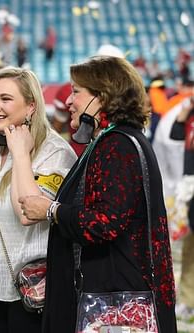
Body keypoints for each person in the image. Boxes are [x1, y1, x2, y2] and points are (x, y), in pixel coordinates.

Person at [20, 56, 177, 333]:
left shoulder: (117, 145)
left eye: (76, 92)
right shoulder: (116, 140)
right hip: (112, 295)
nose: (69, 101)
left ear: (102, 97)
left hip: (114, 305)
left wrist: (50, 210)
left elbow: (104, 222)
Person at [0, 67, 76, 332]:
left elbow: (28, 213)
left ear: (30, 107)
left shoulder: (54, 151)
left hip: (33, 295)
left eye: (5, 99)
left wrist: (21, 155)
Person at [170, 95, 194, 318]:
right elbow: (175, 134)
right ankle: (187, 299)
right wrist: (186, 110)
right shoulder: (190, 116)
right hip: (191, 188)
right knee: (190, 248)